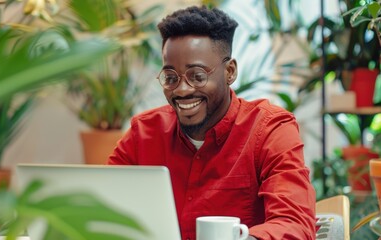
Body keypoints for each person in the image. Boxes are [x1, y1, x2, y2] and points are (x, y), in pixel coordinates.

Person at [108, 5, 316, 240]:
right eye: (171, 77)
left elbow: (294, 225)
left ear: (230, 71)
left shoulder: (270, 130)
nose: (182, 90)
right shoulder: (143, 134)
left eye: (197, 76)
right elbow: (99, 209)